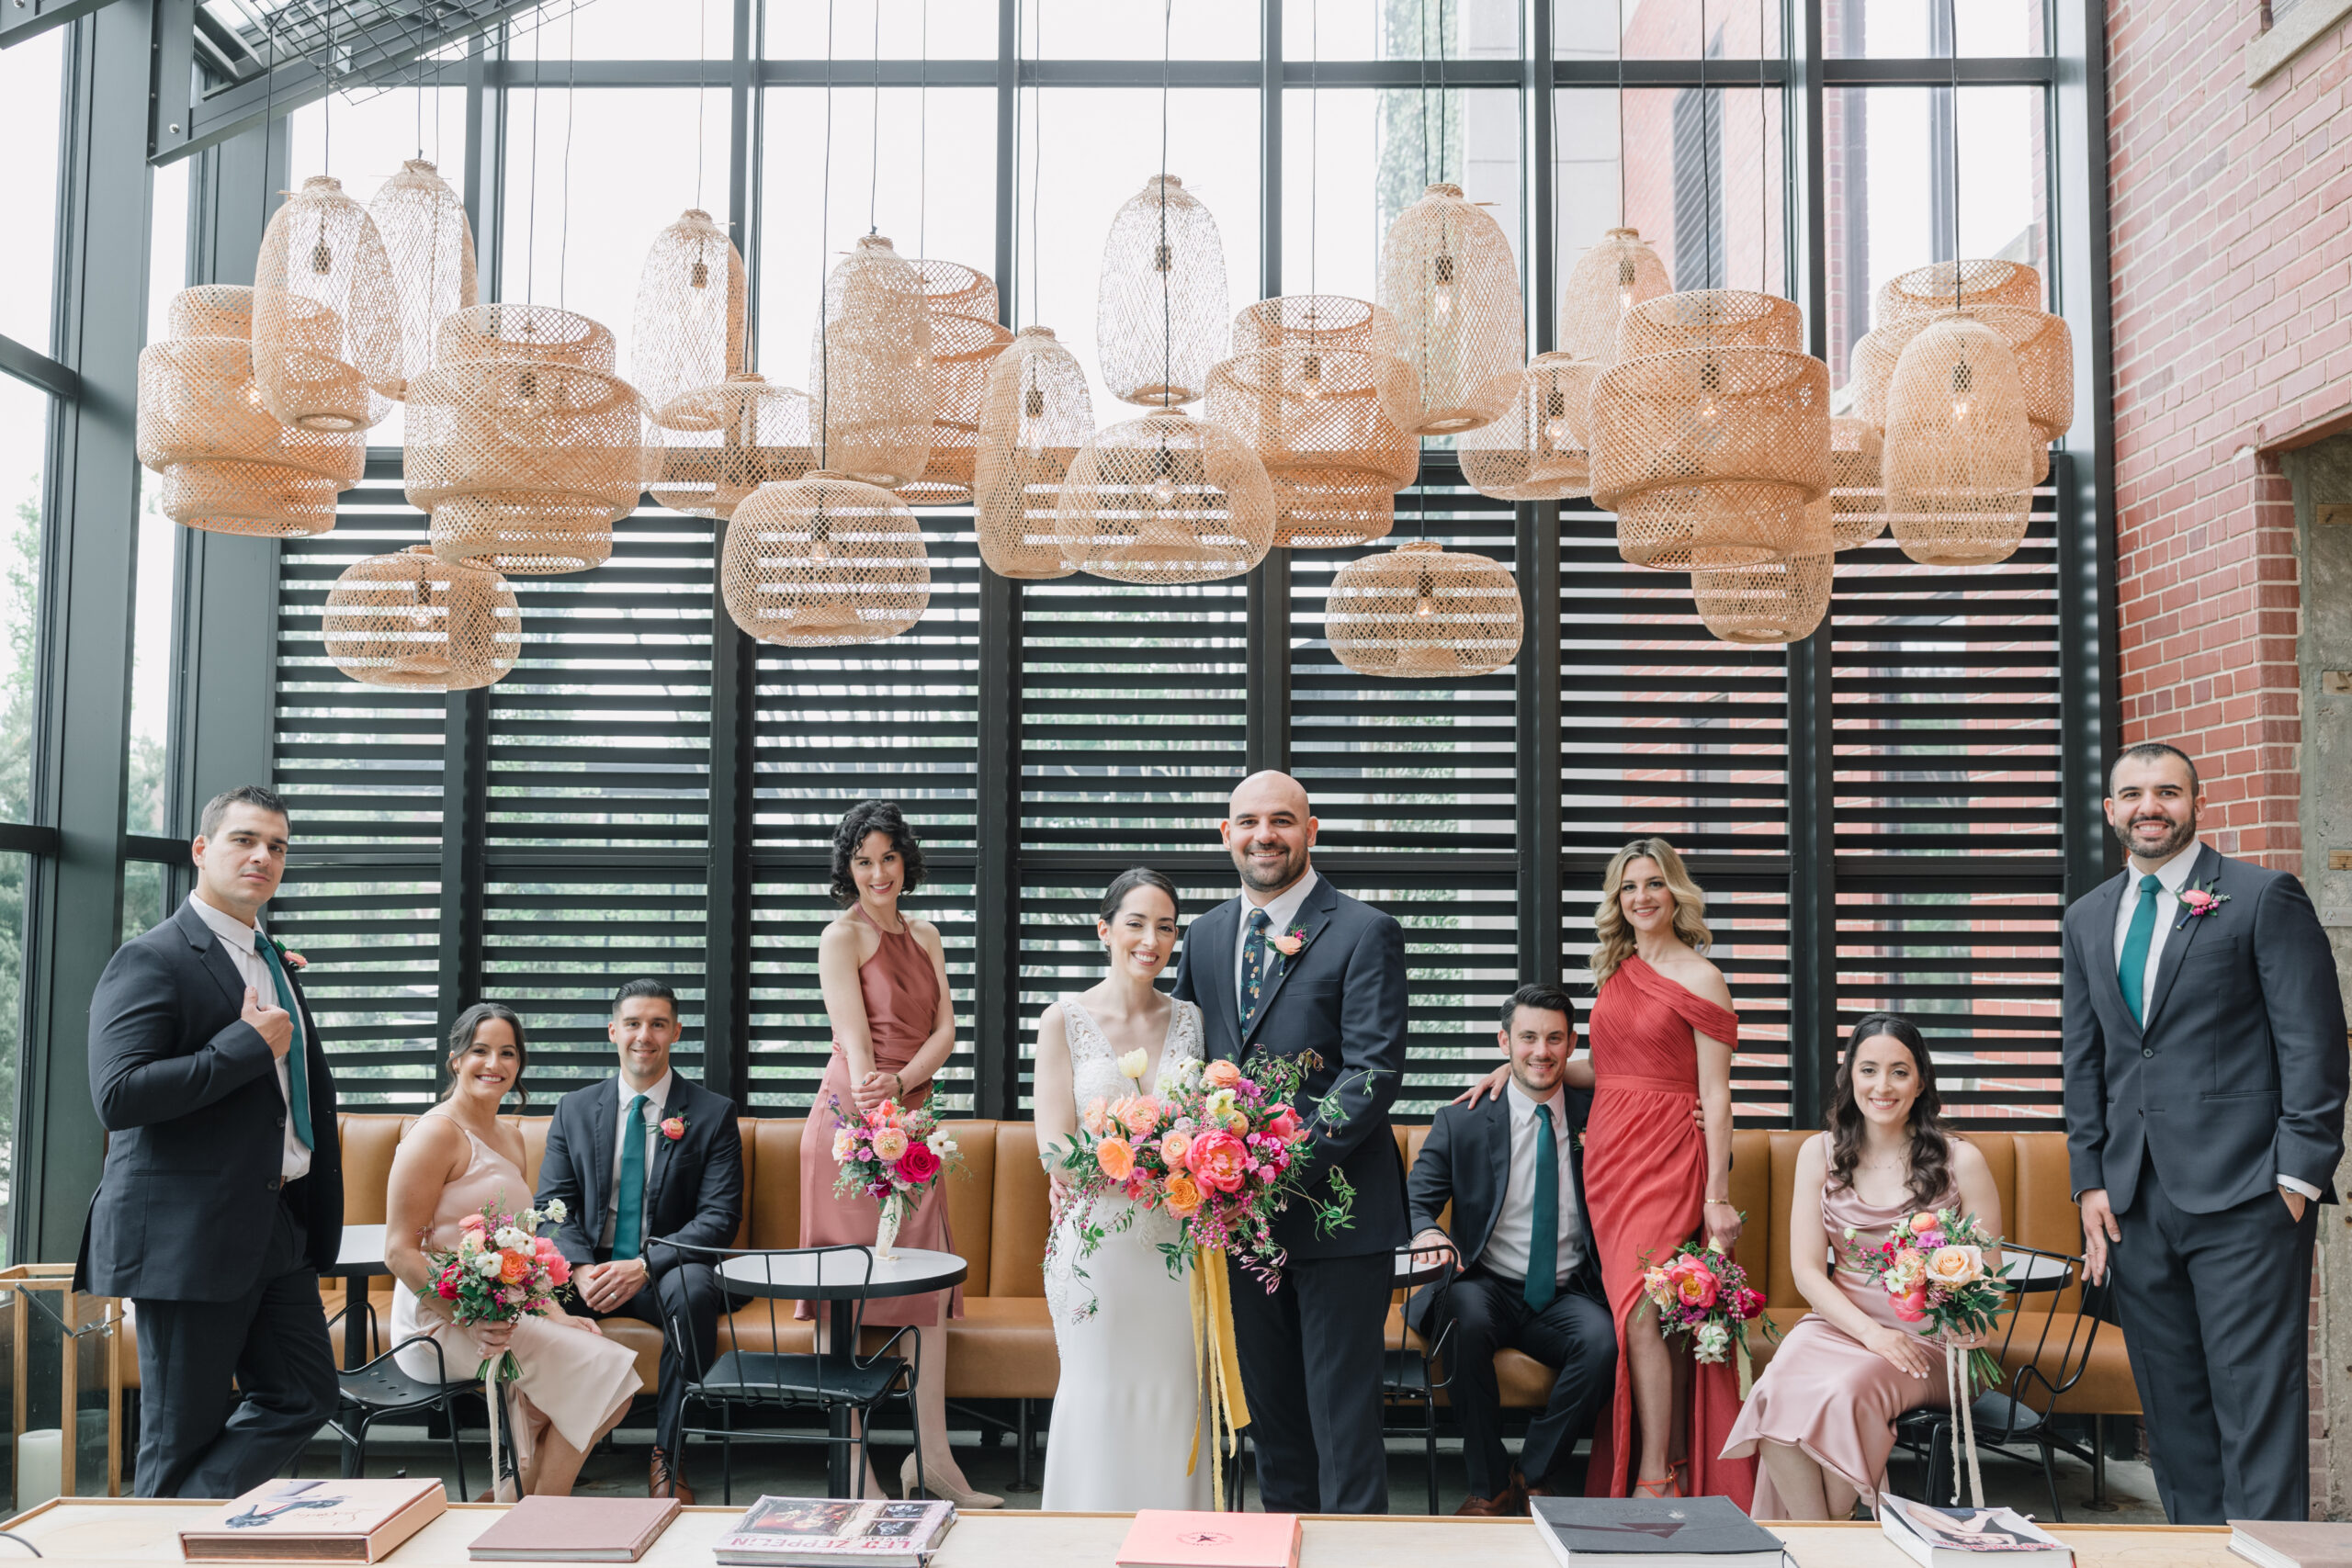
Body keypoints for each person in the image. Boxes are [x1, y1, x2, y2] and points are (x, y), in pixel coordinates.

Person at [2061, 741, 2347, 1523]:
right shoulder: (2088, 916)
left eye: (2167, 791)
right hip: (2134, 1204)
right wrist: (2089, 1180)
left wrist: (2296, 1178)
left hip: (2249, 1198)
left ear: (2196, 802)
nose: (2149, 806)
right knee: (2174, 1413)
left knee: (2256, 1406)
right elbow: (2086, 1062)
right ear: (2111, 809)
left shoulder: (2260, 898)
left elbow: (2315, 1046)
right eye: (2132, 793)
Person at [76, 784, 342, 1498]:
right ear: (201, 849)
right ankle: (156, 1540)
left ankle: (183, 1519)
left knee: (305, 1394)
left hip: (277, 1224)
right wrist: (244, 1048)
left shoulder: (272, 959)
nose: (262, 856)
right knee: (178, 1433)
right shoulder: (152, 957)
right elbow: (119, 1093)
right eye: (244, 839)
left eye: (277, 846)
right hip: (188, 1235)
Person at [1464, 840, 1749, 1504]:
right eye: (1629, 887)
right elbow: (1609, 1070)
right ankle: (1664, 1457)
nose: (1642, 896)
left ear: (1675, 891)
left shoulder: (1702, 976)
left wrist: (1717, 1196)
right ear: (1617, 900)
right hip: (1612, 1161)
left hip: (1670, 1157)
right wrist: (1518, 1067)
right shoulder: (1618, 971)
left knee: (1646, 1312)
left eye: (1654, 883)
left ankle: (1657, 1474)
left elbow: (1717, 1093)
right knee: (1634, 1316)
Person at [1170, 771, 1409, 1516]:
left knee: (1345, 1432)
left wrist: (1278, 1165)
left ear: (1312, 829)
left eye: (1281, 820)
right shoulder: (1206, 934)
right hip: (1240, 1227)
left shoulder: (1365, 929)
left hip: (1339, 1221)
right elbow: (1183, 1058)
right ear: (1226, 833)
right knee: (1274, 1430)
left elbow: (1373, 1070)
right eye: (1247, 821)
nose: (1263, 834)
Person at [1720, 1013, 2003, 1518]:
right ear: (1850, 1077)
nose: (1883, 1086)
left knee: (1846, 1391)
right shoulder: (1819, 1154)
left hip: (1927, 1343)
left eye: (1899, 1071)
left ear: (1920, 1082)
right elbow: (1807, 1271)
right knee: (1775, 1389)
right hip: (1840, 1324)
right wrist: (1871, 1334)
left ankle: (1824, 1544)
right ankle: (1825, 1538)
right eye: (1869, 1069)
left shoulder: (1962, 1161)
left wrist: (1971, 1323)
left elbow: (1991, 1276)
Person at [801, 801, 1000, 1508]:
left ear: (905, 861)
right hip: (854, 1123)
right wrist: (880, 1109)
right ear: (847, 868)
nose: (877, 872)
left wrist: (910, 1089)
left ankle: (936, 1460)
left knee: (927, 1289)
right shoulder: (839, 936)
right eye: (862, 860)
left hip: (913, 1116)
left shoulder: (927, 934)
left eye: (887, 857)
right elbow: (856, 1048)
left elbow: (946, 1029)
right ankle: (853, 1470)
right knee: (845, 1295)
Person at [388, 1005, 641, 1497]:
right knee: (610, 1378)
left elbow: (522, 1251)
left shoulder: (511, 1136)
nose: (494, 1064)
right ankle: (543, 1512)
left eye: (507, 1053)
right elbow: (398, 1252)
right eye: (480, 1050)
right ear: (456, 1059)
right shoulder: (436, 1133)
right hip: (437, 1321)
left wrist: (556, 1314)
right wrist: (468, 1317)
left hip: (502, 1310)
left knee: (608, 1380)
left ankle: (516, 1506)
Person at [1034, 868, 1214, 1511]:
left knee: (1176, 1393)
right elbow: (1054, 1149)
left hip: (1176, 1242)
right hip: (1098, 1244)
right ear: (1105, 929)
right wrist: (1138, 1159)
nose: (1151, 939)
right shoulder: (1064, 1019)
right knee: (1098, 1388)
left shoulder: (1192, 1018)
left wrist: (1190, 1162)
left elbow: (1212, 1123)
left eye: (1165, 926)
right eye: (1136, 923)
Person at [1406, 984, 1615, 1517]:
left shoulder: (1602, 1114)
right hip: (1487, 1283)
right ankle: (1489, 1483)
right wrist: (1428, 1233)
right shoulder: (1464, 1119)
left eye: (1553, 1038)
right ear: (1504, 1041)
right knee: (1464, 1316)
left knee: (1603, 1344)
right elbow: (1414, 1201)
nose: (1540, 1051)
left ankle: (1535, 1472)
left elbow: (1683, 1155)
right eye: (1527, 1037)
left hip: (1569, 1291)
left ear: (1572, 1045)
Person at [533, 978, 745, 1503]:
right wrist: (579, 1269)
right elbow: (551, 1207)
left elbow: (719, 1217)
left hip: (668, 1266)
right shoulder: (575, 1108)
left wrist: (645, 1264)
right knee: (523, 1293)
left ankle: (670, 1454)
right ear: (613, 1031)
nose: (643, 1035)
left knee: (693, 1292)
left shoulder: (712, 1112)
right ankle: (541, 1451)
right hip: (589, 1267)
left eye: (656, 1024)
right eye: (632, 1023)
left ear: (676, 1031)